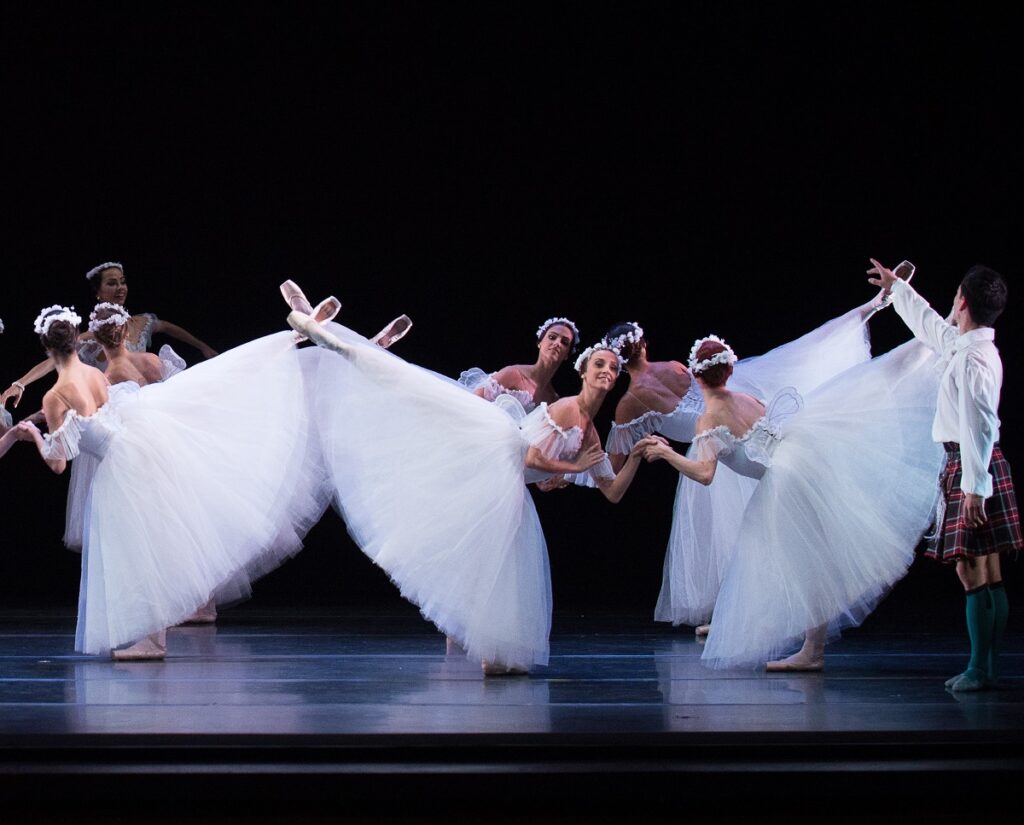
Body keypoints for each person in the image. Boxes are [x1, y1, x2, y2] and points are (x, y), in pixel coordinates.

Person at [289, 313, 655, 675]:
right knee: (419, 395)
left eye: (612, 367)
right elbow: (528, 453)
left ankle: (474, 636)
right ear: (584, 371)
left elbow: (612, 491)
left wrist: (635, 454)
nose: (606, 371)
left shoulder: (586, 429)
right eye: (599, 364)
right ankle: (346, 348)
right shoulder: (561, 404)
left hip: (507, 475)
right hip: (484, 440)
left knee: (489, 557)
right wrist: (569, 469)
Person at [16, 301, 334, 661]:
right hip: (136, 447)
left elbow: (59, 463)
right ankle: (292, 338)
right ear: (76, 341)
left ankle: (152, 641)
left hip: (120, 467)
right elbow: (102, 411)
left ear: (46, 348)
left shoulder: (55, 394)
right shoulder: (93, 375)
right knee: (148, 547)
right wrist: (56, 420)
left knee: (138, 553)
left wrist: (35, 436)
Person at [642, 329, 944, 671]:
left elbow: (704, 473)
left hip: (787, 477)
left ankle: (812, 650)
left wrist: (666, 454)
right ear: (729, 371)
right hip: (802, 457)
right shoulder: (745, 399)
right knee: (767, 553)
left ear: (697, 378)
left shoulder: (708, 419)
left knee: (799, 560)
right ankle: (748, 621)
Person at [601, 299, 886, 635]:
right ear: (644, 344)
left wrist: (624, 457)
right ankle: (744, 614)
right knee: (746, 536)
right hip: (726, 440)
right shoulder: (678, 368)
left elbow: (611, 468)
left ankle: (762, 615)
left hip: (716, 441)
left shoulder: (629, 404)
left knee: (745, 537)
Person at [868, 259, 1022, 691]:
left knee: (973, 570)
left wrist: (975, 488)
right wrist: (899, 289)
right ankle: (986, 668)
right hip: (974, 462)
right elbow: (932, 328)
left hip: (974, 464)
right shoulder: (965, 344)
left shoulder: (975, 359)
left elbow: (980, 425)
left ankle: (980, 668)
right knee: (985, 570)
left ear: (964, 301)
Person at [1, 261, 217, 411]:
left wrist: (202, 347)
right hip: (116, 409)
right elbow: (53, 360)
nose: (120, 288)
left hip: (150, 404)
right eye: (112, 283)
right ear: (98, 292)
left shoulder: (141, 322)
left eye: (122, 282)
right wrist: (20, 383)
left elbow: (169, 328)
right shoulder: (95, 334)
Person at [459, 317, 579, 412]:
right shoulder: (514, 374)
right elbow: (474, 402)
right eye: (552, 337)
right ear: (540, 343)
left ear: (567, 354)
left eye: (564, 342)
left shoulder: (552, 399)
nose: (557, 343)